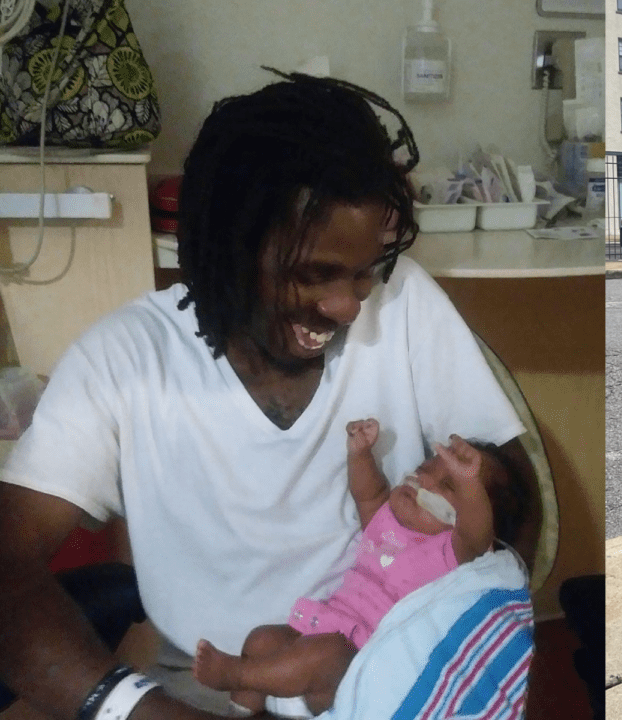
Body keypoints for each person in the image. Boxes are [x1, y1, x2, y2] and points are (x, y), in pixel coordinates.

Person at [0, 72, 528, 720]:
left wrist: (426, 667)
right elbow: (7, 560)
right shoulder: (126, 359)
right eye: (314, 275)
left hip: (388, 677)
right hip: (201, 690)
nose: (344, 305)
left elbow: (508, 506)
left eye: (363, 272)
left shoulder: (405, 303)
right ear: (231, 245)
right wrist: (136, 709)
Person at [192, 421, 526, 717]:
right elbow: (369, 493)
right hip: (313, 642)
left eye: (448, 486)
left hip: (350, 665)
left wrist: (469, 483)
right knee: (261, 639)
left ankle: (235, 675)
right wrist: (361, 455)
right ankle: (242, 708)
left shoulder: (449, 553)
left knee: (324, 654)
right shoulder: (386, 520)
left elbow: (473, 532)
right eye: (425, 466)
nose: (423, 479)